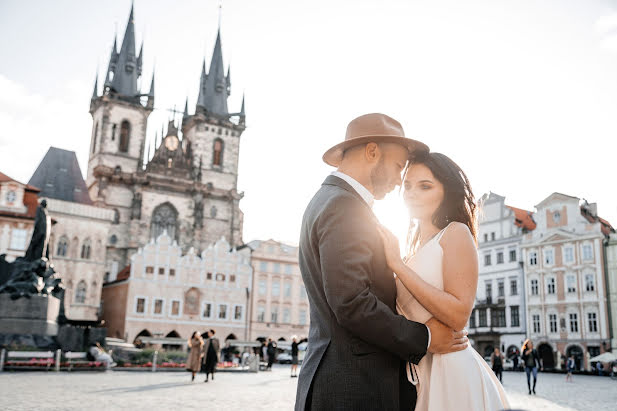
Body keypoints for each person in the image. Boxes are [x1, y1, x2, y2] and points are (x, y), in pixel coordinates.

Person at [294, 114, 468, 411]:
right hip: (352, 388)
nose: (401, 181)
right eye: (399, 166)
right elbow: (351, 303)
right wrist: (424, 337)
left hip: (345, 381)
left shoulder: (330, 199)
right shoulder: (344, 206)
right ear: (372, 152)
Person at [378, 150, 510, 410]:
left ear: (446, 191)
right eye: (407, 186)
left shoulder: (456, 233)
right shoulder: (411, 247)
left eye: (425, 186)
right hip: (419, 367)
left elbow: (459, 314)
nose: (412, 193)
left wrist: (397, 266)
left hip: (450, 370)